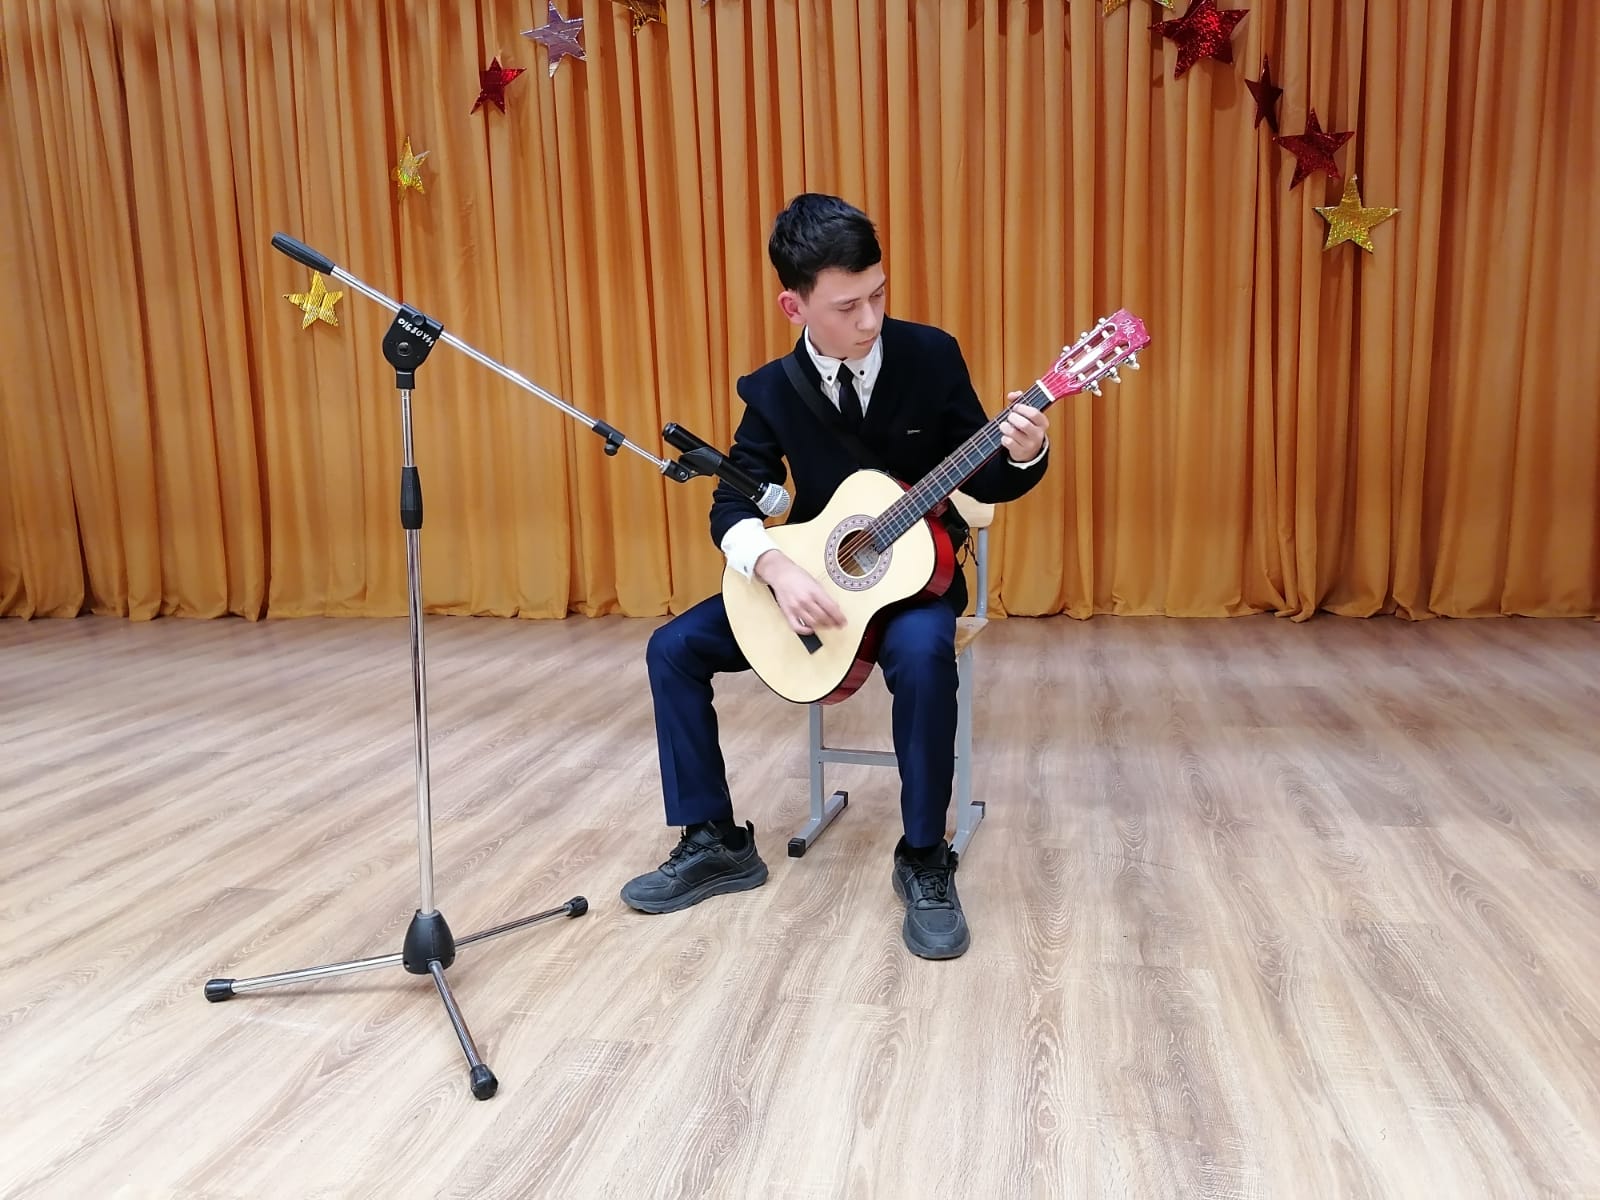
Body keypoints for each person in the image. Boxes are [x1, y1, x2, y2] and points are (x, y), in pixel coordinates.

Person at [620, 193, 1050, 959]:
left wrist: (1024, 452)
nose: (871, 318)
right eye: (848, 306)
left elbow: (984, 479)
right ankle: (715, 840)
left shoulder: (932, 356)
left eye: (879, 294)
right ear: (795, 306)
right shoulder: (770, 390)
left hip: (915, 582)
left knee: (923, 656)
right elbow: (731, 503)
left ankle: (924, 857)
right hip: (817, 581)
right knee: (672, 649)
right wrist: (776, 568)